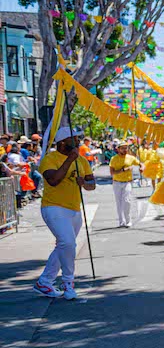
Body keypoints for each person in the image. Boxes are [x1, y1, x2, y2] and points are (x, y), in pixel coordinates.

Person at [33, 126, 96, 300]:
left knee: (64, 246)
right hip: (53, 207)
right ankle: (68, 282)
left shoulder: (82, 161)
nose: (78, 142)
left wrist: (84, 183)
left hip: (74, 210)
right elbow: (53, 180)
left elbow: (92, 185)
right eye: (74, 139)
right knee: (68, 244)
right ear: (62, 142)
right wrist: (69, 160)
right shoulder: (50, 158)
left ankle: (44, 282)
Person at [109, 139, 142, 228]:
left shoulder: (130, 157)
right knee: (119, 202)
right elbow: (112, 173)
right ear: (118, 149)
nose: (125, 150)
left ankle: (128, 220)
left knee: (127, 201)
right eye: (123, 148)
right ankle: (121, 221)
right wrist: (124, 170)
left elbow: (140, 164)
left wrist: (142, 167)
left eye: (126, 148)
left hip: (127, 182)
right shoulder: (114, 159)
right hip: (116, 183)